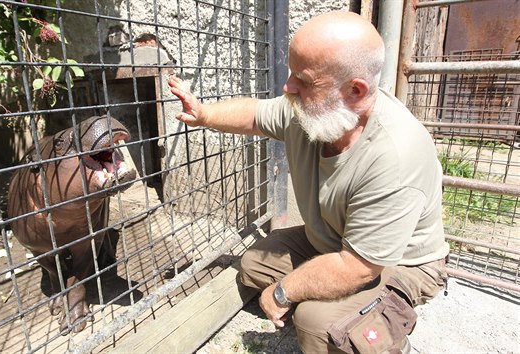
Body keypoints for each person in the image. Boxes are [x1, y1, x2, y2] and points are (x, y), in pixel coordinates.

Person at [168, 10, 449, 354]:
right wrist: (204, 114)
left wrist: (284, 291)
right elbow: (255, 115)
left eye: (302, 79)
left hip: (397, 261)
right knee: (254, 265)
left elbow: (359, 267)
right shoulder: (311, 107)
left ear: (355, 91)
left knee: (319, 324)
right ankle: (344, 305)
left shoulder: (396, 157)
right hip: (337, 239)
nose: (288, 87)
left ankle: (386, 336)